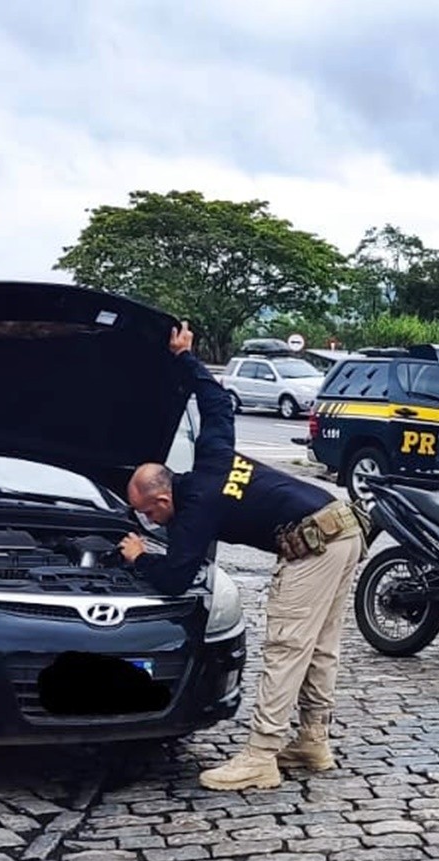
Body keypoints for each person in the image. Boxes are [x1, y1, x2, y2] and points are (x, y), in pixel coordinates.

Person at [122, 322, 367, 792]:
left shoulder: (193, 512)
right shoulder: (212, 456)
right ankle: (313, 741)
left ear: (160, 502)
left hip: (314, 542)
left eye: (145, 515)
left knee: (287, 646)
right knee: (320, 646)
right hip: (343, 526)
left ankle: (260, 756)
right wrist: (184, 357)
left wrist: (137, 556)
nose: (149, 522)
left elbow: (176, 575)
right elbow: (214, 402)